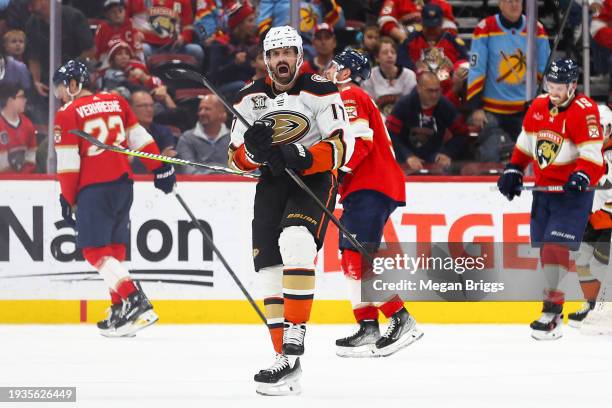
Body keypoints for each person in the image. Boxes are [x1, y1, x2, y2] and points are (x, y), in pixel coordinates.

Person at [227, 25, 352, 395]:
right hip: (271, 183)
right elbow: (234, 160)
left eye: (288, 52)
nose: (282, 59)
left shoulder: (320, 89)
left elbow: (343, 148)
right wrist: (252, 153)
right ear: (267, 60)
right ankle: (285, 361)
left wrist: (301, 155)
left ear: (299, 56)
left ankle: (297, 328)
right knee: (268, 268)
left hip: (312, 179)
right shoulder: (248, 99)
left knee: (296, 241)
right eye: (275, 54)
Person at [53, 60, 176, 337]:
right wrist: (160, 167)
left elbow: (68, 163)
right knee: (114, 249)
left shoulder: (67, 112)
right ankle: (120, 309)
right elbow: (139, 138)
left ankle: (134, 299)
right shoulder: (116, 100)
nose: (60, 94)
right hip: (123, 184)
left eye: (62, 87)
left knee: (94, 251)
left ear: (74, 84)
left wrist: (68, 197)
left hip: (93, 188)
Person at [324, 49, 423, 357]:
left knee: (356, 259)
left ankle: (401, 317)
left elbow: (360, 142)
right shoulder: (340, 99)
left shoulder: (349, 94)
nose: (328, 70)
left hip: (371, 185)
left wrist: (336, 173)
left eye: (333, 66)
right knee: (351, 260)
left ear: (345, 73)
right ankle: (368, 327)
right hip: (365, 187)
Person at [497, 58, 604, 341]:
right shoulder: (538, 106)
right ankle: (555, 307)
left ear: (573, 85)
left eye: (560, 86)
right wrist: (514, 169)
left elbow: (593, 155)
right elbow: (525, 143)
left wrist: (582, 176)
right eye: (551, 85)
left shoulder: (585, 111)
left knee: (556, 246)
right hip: (545, 192)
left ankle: (552, 308)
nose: (554, 91)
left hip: (571, 194)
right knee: (547, 250)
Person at [466, 0, 550, 162]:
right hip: (491, 110)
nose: (514, 5)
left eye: (517, 1)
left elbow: (544, 69)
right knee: (490, 154)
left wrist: (544, 104)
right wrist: (476, 108)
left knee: (535, 155)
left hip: (524, 108)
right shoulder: (485, 28)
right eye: (509, 1)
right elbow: (477, 69)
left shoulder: (536, 29)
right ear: (500, 4)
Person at [570, 104, 612, 330]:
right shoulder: (586, 150)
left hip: (608, 219)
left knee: (601, 265)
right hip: (595, 217)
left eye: (604, 128)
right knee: (582, 260)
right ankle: (591, 305)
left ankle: (605, 310)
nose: (600, 134)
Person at [387, 71, 468, 172]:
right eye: (430, 91)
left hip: (434, 157)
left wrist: (446, 153)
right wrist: (408, 155)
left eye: (437, 91)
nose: (434, 95)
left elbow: (462, 133)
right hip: (404, 157)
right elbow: (390, 134)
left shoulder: (445, 105)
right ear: (419, 89)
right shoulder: (404, 104)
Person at [361, 36, 417, 117]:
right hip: (378, 121)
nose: (390, 55)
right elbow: (369, 107)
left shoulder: (409, 75)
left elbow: (411, 106)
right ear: (377, 57)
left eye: (393, 52)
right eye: (385, 52)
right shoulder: (370, 76)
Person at [176, 95, 229, 175]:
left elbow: (244, 169)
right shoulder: (187, 138)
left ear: (221, 113)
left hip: (232, 185)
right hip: (198, 185)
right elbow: (187, 169)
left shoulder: (235, 139)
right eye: (200, 109)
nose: (201, 113)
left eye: (207, 109)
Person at [129, 89, 177, 173]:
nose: (149, 109)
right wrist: (159, 159)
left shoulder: (164, 131)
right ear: (130, 109)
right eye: (143, 106)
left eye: (151, 105)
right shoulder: (121, 133)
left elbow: (170, 158)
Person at [95, 0, 144, 67]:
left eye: (120, 11)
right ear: (107, 14)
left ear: (125, 11)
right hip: (109, 63)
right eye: (113, 12)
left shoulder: (132, 24)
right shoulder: (102, 28)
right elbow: (98, 52)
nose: (117, 14)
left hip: (130, 62)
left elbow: (138, 52)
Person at [0, 82, 36, 173]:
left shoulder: (28, 125)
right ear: (10, 100)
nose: (25, 100)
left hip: (23, 183)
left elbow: (31, 158)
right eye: (21, 97)